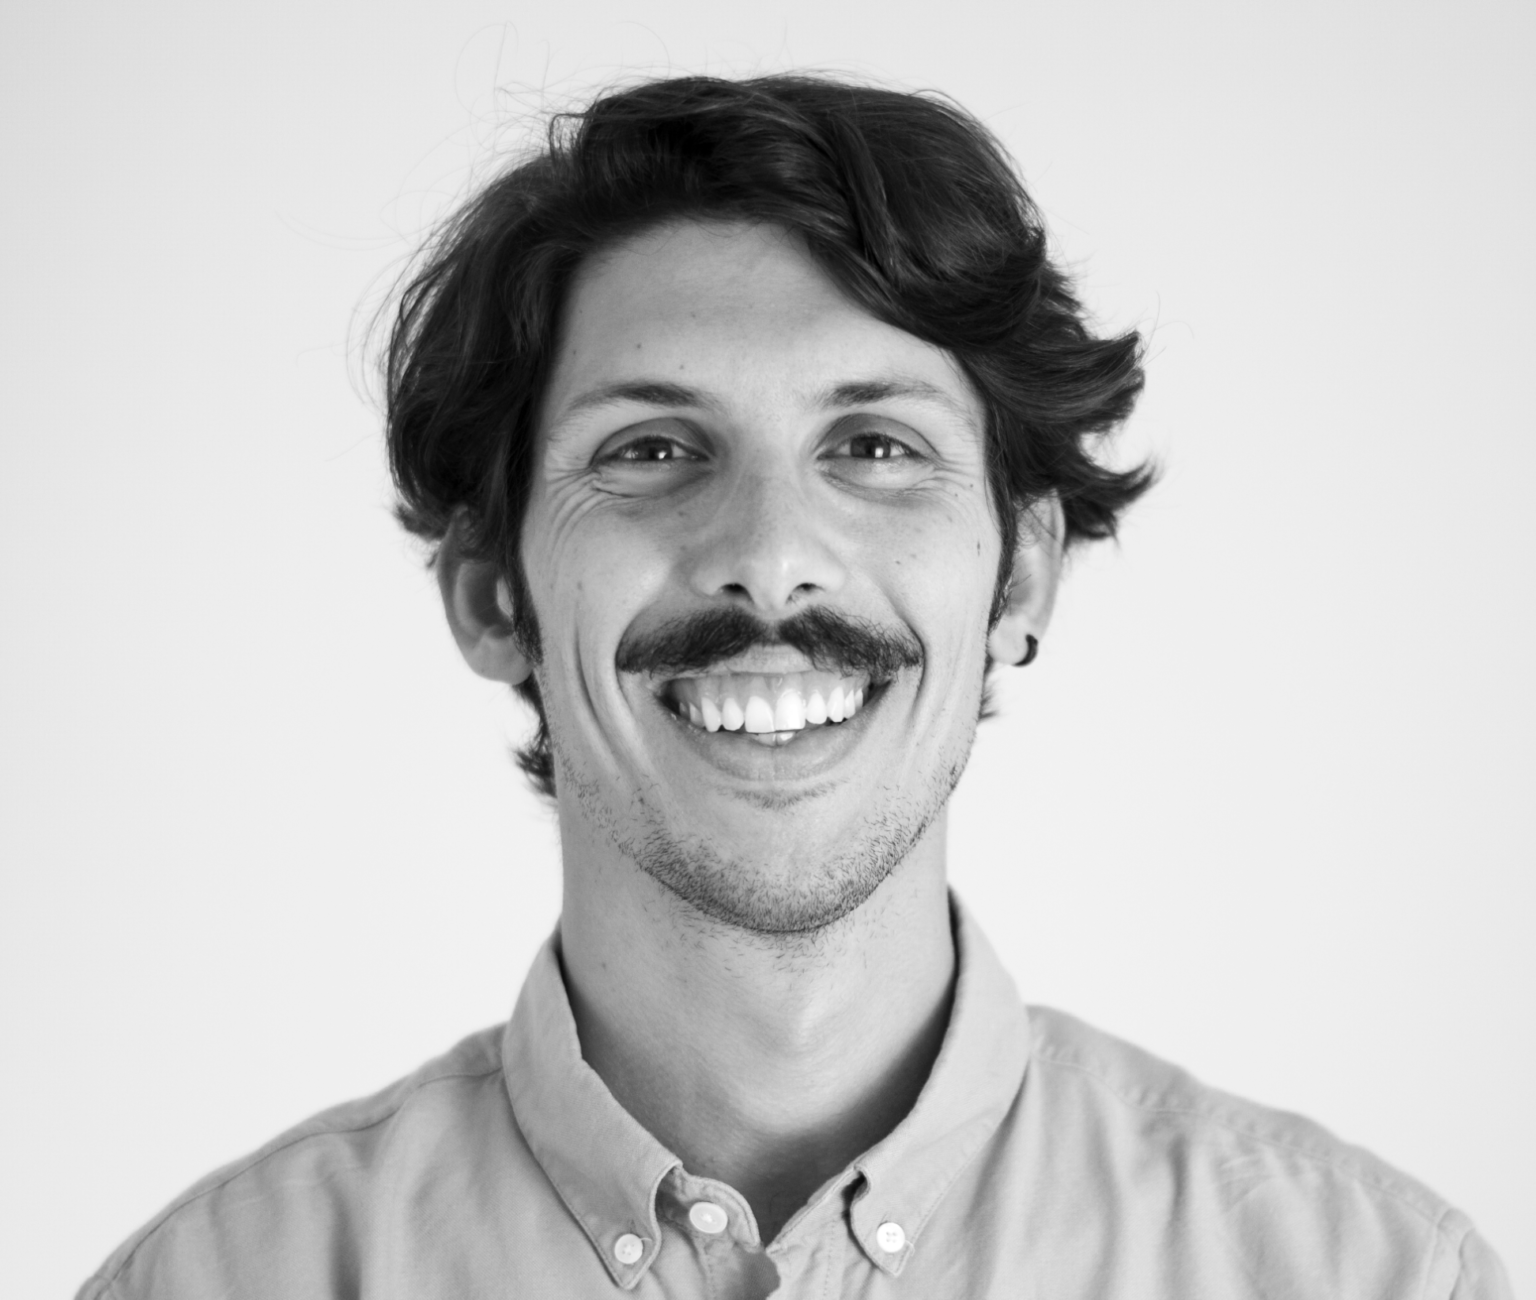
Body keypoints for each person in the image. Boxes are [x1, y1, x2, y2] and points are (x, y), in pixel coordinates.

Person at [77, 73, 1512, 1300]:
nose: (769, 560)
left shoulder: (1370, 1277)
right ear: (493, 593)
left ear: (1019, 579)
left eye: (875, 448)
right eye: (651, 451)